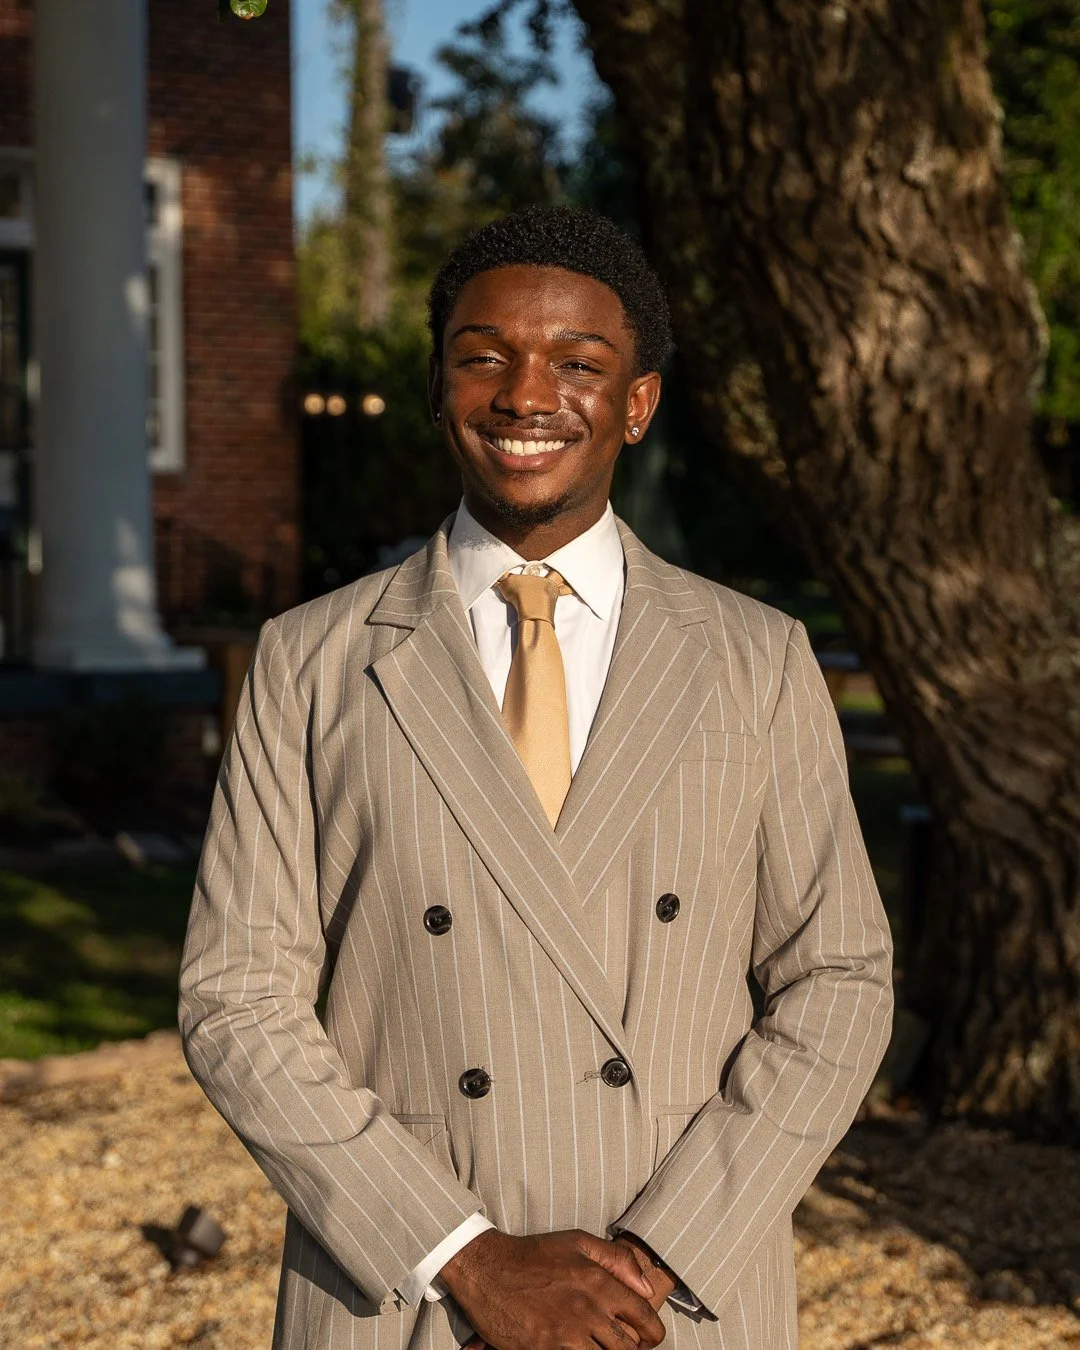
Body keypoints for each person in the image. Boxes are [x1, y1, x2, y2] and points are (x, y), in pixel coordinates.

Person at [179, 205, 893, 1350]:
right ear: (439, 383)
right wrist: (468, 1256)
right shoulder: (310, 659)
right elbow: (235, 998)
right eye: (484, 357)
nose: (524, 395)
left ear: (638, 403)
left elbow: (840, 976)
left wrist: (659, 1253)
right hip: (403, 1293)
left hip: (674, 1295)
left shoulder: (756, 659)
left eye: (578, 363)